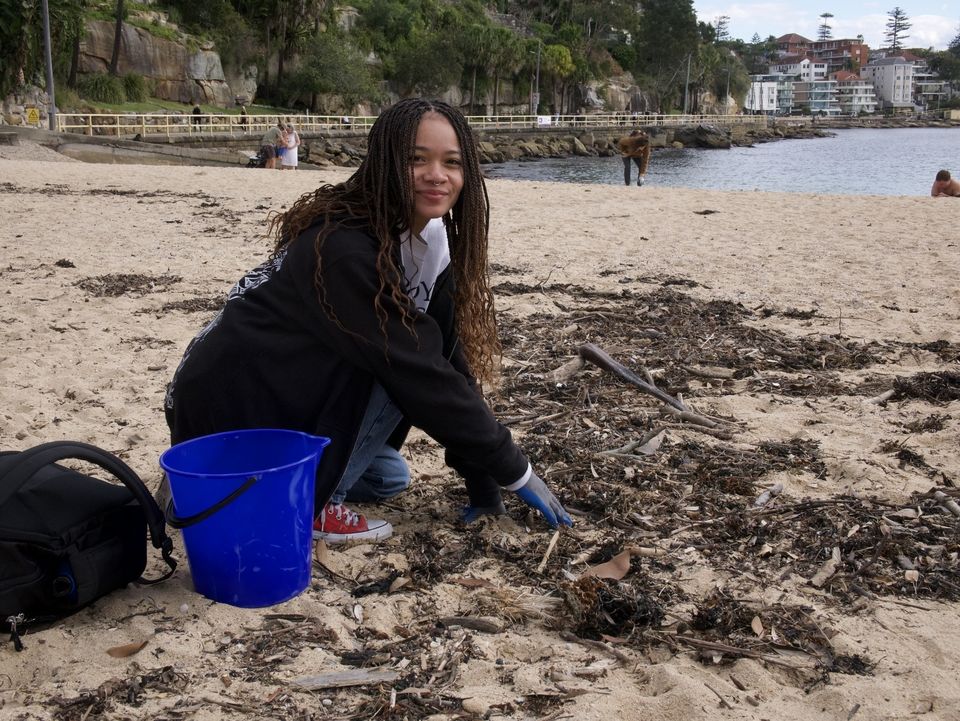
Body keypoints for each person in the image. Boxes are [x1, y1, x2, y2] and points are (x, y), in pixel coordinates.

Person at [164, 98, 572, 544]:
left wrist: (485, 484)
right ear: (384, 161)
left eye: (452, 162)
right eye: (416, 158)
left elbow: (450, 360)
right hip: (234, 408)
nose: (437, 174)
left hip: (287, 400)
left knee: (388, 476)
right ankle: (304, 502)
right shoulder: (342, 246)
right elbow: (419, 371)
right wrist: (517, 471)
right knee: (398, 359)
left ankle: (265, 486)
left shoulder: (430, 244)